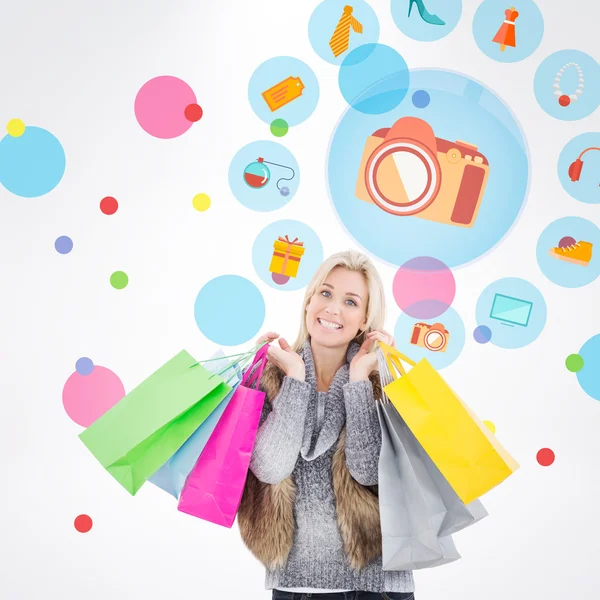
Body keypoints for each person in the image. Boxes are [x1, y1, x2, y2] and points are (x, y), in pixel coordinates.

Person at [237, 250, 416, 600]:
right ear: (308, 301)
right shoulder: (270, 372)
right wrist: (294, 381)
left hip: (377, 584)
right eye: (326, 293)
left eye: (351, 301)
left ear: (365, 319)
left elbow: (369, 471)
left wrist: (360, 382)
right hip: (296, 582)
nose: (333, 309)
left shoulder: (382, 379)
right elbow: (270, 468)